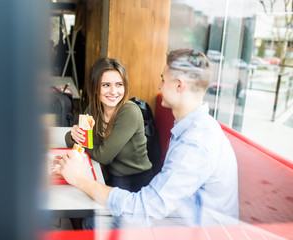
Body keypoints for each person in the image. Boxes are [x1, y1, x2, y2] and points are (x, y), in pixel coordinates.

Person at [60, 49, 239, 227]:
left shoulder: (195, 144)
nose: (159, 86)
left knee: (93, 224)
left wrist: (80, 179)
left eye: (163, 79)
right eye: (106, 85)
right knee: (93, 220)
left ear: (179, 85)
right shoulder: (189, 129)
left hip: (196, 232)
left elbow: (144, 208)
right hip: (174, 218)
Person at [65, 57, 154, 192]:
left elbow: (103, 157)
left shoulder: (130, 112)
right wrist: (73, 136)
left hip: (137, 182)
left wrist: (82, 144)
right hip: (111, 177)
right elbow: (71, 141)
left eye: (119, 84)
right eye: (106, 85)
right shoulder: (94, 108)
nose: (113, 91)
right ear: (95, 87)